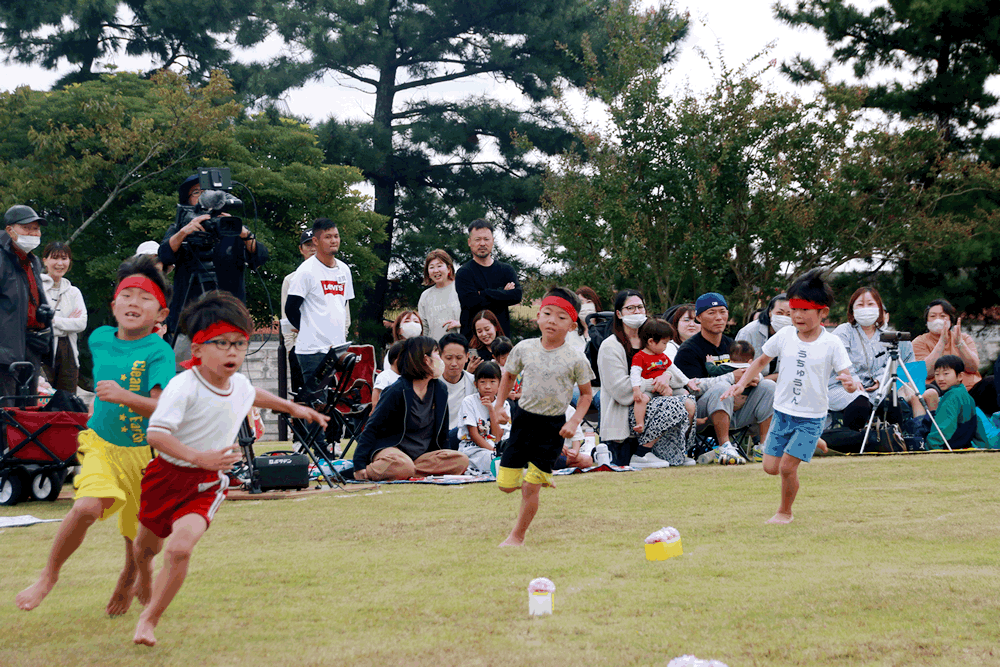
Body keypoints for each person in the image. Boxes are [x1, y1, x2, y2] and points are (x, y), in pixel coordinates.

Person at [132, 292, 327, 646]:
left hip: (206, 484)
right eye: (220, 343)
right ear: (197, 350)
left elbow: (253, 394)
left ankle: (149, 620)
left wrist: (295, 408)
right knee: (146, 548)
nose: (232, 351)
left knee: (179, 549)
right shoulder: (183, 387)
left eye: (239, 343)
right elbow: (157, 435)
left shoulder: (237, 383)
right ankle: (143, 573)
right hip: (165, 476)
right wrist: (198, 456)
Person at [16, 256, 174, 615]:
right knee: (87, 505)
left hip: (145, 455)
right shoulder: (100, 338)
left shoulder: (159, 352)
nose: (134, 303)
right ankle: (49, 575)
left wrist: (125, 396)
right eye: (127, 295)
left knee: (139, 536)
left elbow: (162, 408)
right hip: (101, 444)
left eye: (145, 298)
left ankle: (130, 574)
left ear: (161, 314)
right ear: (114, 305)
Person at [723, 268, 856, 524]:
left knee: (786, 468)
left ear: (822, 312)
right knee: (769, 468)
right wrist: (740, 385)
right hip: (782, 413)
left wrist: (850, 385)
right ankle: (811, 442)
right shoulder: (784, 335)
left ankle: (785, 512)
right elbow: (762, 359)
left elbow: (847, 378)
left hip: (811, 418)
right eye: (794, 309)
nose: (797, 315)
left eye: (805, 309)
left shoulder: (832, 344)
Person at [494, 287, 594, 547]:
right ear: (538, 316)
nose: (552, 321)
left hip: (553, 426)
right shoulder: (523, 348)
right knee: (505, 486)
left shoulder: (576, 358)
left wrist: (573, 422)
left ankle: (517, 536)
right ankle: (541, 477)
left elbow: (585, 396)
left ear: (572, 326)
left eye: (561, 317)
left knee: (530, 488)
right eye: (547, 313)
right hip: (523, 420)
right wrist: (499, 405)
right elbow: (508, 376)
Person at [158, 174, 268, 361]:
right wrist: (184, 232)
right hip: (188, 320)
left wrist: (242, 231)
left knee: (226, 379)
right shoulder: (180, 227)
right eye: (197, 192)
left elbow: (261, 257)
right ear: (187, 199)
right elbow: (164, 255)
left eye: (208, 192)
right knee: (182, 375)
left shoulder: (232, 227)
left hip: (228, 319)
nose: (203, 196)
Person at [674, 292, 776, 465]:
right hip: (703, 415)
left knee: (768, 385)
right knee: (721, 387)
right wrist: (731, 378)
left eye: (722, 312)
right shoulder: (689, 350)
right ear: (699, 317)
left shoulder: (732, 344)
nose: (719, 318)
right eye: (711, 313)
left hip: (738, 408)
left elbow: (752, 367)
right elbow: (690, 387)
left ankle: (764, 446)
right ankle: (725, 447)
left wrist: (752, 378)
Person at [597, 291, 697, 468]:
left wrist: (665, 377)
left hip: (654, 401)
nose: (636, 312)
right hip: (628, 409)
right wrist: (657, 383)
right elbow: (621, 390)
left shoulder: (651, 340)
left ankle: (678, 452)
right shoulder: (610, 346)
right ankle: (641, 453)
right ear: (619, 314)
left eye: (640, 307)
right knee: (673, 404)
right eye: (630, 308)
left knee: (688, 401)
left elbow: (670, 371)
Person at [353, 336, 469, 481]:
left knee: (461, 460)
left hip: (422, 457)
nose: (440, 360)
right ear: (426, 360)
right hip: (393, 451)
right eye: (437, 354)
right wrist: (358, 464)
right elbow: (372, 428)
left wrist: (444, 455)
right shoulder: (396, 390)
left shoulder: (440, 389)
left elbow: (443, 433)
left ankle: (406, 472)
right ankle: (381, 470)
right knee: (402, 465)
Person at [285, 218, 355, 452]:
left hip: (336, 347)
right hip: (312, 348)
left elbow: (341, 303)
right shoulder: (305, 271)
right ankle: (318, 448)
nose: (333, 240)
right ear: (316, 240)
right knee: (316, 399)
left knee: (332, 399)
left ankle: (331, 444)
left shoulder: (344, 269)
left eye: (336, 236)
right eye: (328, 236)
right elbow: (291, 307)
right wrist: (307, 329)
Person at [827, 287, 914, 430]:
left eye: (870, 304)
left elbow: (888, 365)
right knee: (860, 402)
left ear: (879, 308)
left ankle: (895, 441)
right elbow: (839, 361)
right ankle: (852, 443)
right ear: (852, 310)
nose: (865, 308)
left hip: (873, 388)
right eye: (860, 305)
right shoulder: (844, 331)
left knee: (891, 402)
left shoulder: (886, 336)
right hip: (843, 387)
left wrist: (880, 380)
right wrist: (853, 380)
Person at [912, 299, 997, 415]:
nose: (938, 320)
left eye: (942, 316)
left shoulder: (964, 338)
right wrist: (941, 343)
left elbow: (973, 367)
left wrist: (960, 344)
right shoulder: (919, 342)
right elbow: (926, 371)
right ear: (926, 322)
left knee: (992, 381)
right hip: (941, 392)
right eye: (933, 316)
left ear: (950, 321)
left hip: (970, 391)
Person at [0, 205, 49, 399]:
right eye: (26, 228)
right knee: (7, 411)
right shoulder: (2, 259)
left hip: (31, 344)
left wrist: (44, 317)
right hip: (5, 349)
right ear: (10, 230)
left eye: (36, 229)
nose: (33, 233)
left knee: (28, 410)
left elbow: (30, 299)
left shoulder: (32, 261)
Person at [901, 355, 989, 451]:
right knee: (915, 396)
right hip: (959, 445)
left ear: (959, 376)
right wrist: (984, 447)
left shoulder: (951, 397)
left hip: (944, 445)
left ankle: (905, 392)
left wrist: (931, 447)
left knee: (912, 396)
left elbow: (943, 429)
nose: (940, 378)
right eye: (937, 374)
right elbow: (978, 428)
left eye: (946, 374)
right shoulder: (968, 397)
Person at [455, 219, 522, 341]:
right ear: (470, 242)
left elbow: (516, 296)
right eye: (477, 239)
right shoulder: (464, 272)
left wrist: (483, 293)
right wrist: (503, 293)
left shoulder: (506, 270)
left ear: (492, 241)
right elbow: (471, 302)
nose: (482, 243)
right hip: (473, 342)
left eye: (486, 239)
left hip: (502, 340)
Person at [630, 318, 698, 433]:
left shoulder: (662, 356)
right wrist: (636, 389)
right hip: (650, 389)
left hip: (666, 388)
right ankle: (640, 423)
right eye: (664, 343)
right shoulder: (640, 357)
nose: (666, 346)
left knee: (686, 394)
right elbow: (635, 373)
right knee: (641, 400)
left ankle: (691, 420)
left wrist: (687, 382)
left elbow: (674, 370)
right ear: (651, 341)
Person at [39, 242, 87, 393]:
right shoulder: (36, 288)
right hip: (42, 350)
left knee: (67, 402)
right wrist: (67, 323)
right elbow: (36, 322)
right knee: (42, 398)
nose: (60, 263)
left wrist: (53, 320)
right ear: (45, 260)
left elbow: (81, 323)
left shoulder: (74, 292)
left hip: (68, 353)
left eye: (64, 259)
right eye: (54, 258)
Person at [457, 362, 509, 473]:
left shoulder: (504, 404)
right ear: (475, 384)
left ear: (500, 383)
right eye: (483, 382)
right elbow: (474, 435)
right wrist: (493, 451)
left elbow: (497, 436)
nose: (487, 386)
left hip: (495, 448)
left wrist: (491, 410)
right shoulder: (469, 401)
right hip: (473, 449)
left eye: (492, 382)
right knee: (492, 459)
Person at [736, 293, 792, 382]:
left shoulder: (794, 334)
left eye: (789, 314)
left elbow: (790, 371)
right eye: (779, 313)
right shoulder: (748, 332)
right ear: (770, 312)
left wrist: (765, 380)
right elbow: (738, 369)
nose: (784, 318)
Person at [439, 333, 478, 449]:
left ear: (467, 357)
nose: (454, 363)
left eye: (459, 358)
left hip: (466, 438)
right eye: (449, 358)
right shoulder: (431, 383)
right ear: (439, 356)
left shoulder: (474, 383)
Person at [279, 230, 316, 351]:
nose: (312, 249)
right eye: (308, 245)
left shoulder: (333, 276)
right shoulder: (290, 279)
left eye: (315, 244)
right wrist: (291, 347)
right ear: (301, 249)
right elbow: (286, 317)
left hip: (329, 344)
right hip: (299, 345)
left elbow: (343, 314)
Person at [418, 249, 461, 339]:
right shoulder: (425, 296)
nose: (436, 271)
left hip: (461, 346)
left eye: (439, 266)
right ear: (428, 273)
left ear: (449, 268)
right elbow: (424, 327)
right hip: (435, 349)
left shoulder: (461, 287)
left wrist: (460, 324)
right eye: (432, 267)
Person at [371, 341, 404, 410]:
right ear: (397, 359)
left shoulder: (405, 376)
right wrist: (375, 408)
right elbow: (377, 391)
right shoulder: (385, 376)